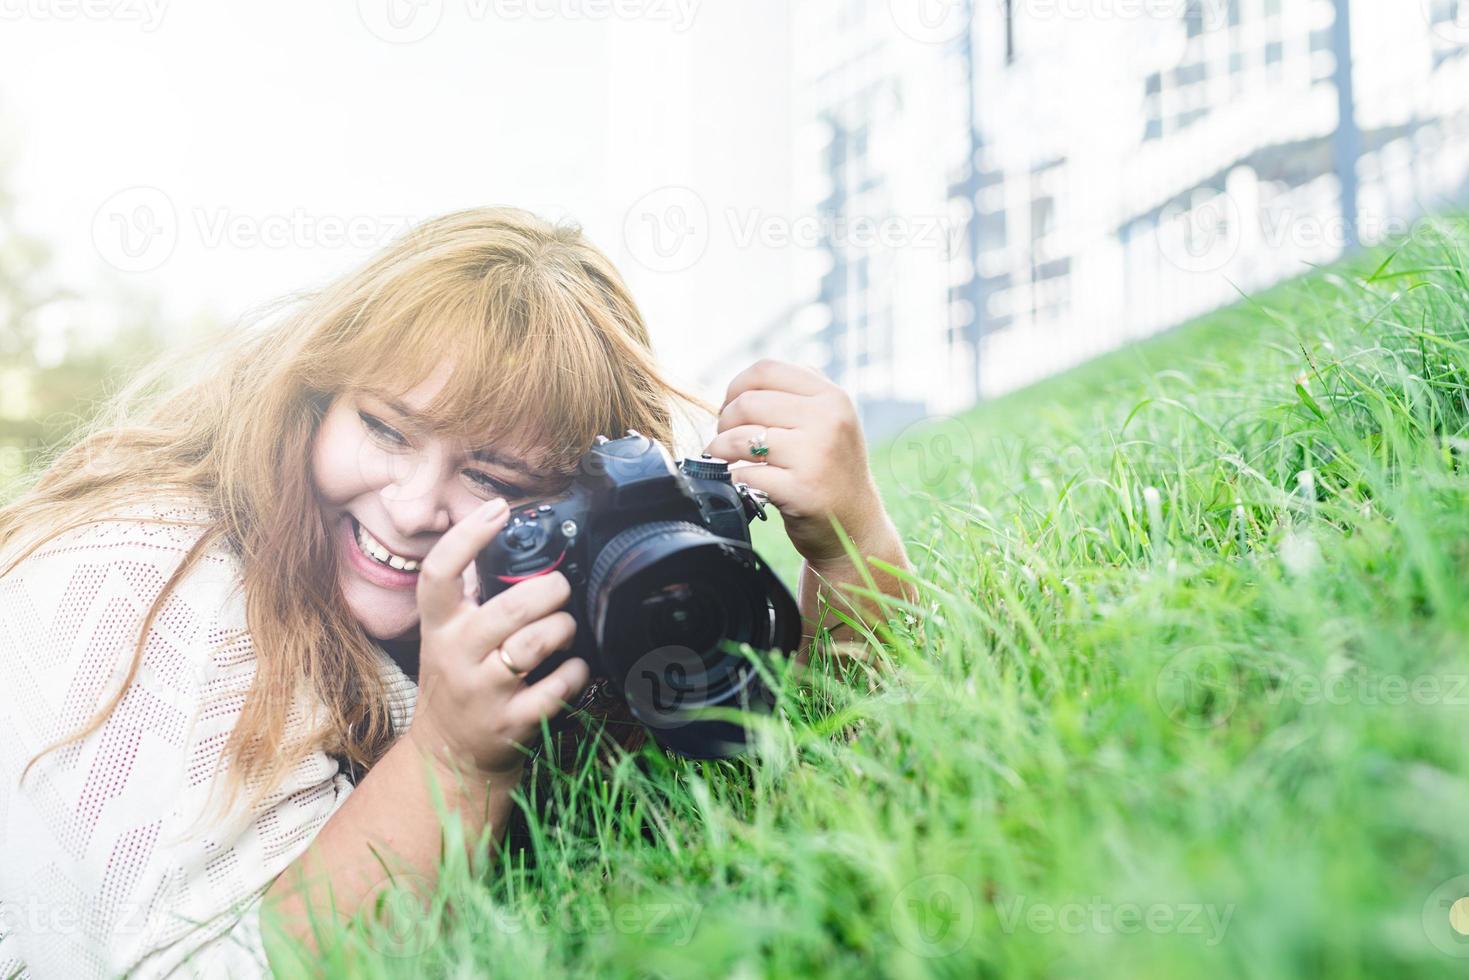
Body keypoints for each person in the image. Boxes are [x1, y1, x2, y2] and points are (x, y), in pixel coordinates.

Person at [0, 207, 912, 977]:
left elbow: (799, 776)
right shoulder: (152, 581)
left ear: (575, 504)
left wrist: (850, 550)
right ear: (316, 395)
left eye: (495, 477)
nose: (409, 508)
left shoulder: (538, 584)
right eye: (387, 429)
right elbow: (208, 963)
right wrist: (451, 760)